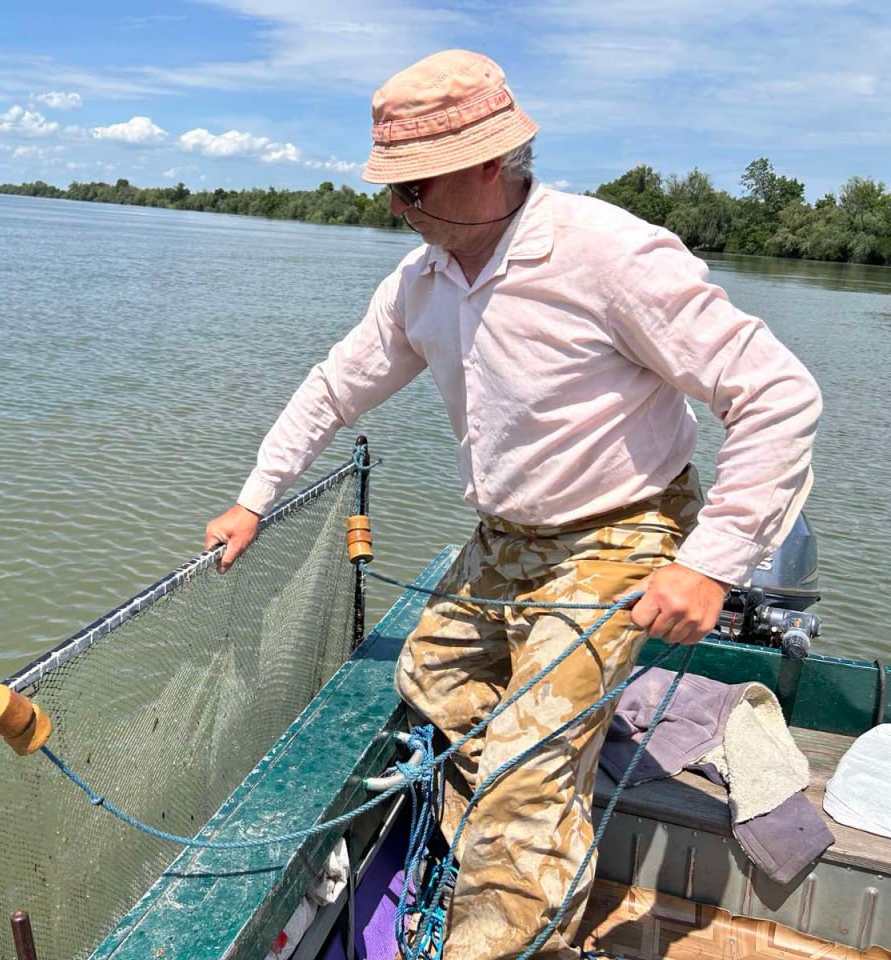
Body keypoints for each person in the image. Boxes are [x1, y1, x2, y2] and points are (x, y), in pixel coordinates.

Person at [204, 49, 820, 960]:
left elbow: (777, 390)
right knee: (431, 678)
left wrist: (708, 565)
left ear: (490, 164)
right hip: (507, 535)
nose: (396, 206)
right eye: (392, 186)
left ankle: (516, 894)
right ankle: (523, 828)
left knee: (526, 781)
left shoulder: (606, 253)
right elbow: (335, 387)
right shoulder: (421, 281)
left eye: (413, 185)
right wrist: (254, 500)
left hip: (623, 529)